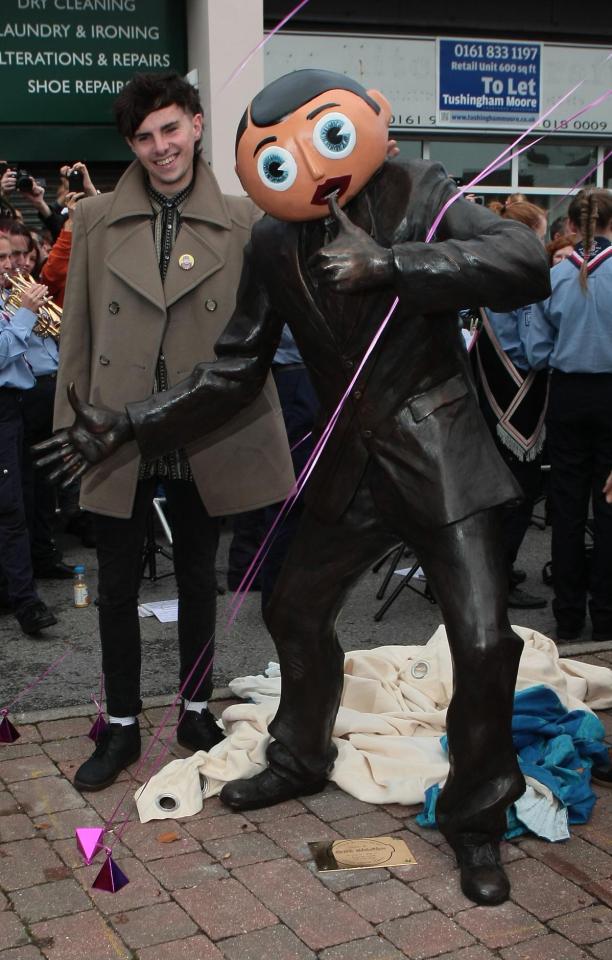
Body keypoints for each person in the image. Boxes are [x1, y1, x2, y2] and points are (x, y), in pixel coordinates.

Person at [37, 69, 550, 906]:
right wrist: (130, 422)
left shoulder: (417, 188)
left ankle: (477, 819)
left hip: (441, 454)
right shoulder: (272, 243)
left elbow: (522, 258)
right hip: (351, 465)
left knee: (485, 639)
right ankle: (301, 755)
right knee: (292, 610)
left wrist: (394, 264)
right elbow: (234, 369)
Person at [39, 71, 294, 794]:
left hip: (202, 426)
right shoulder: (91, 219)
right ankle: (120, 726)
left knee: (196, 579)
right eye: (145, 137)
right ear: (131, 145)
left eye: (171, 129)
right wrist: (72, 429)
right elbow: (79, 337)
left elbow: (258, 338)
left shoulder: (248, 219)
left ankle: (191, 710)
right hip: (114, 428)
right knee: (116, 586)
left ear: (197, 124)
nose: (161, 147)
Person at [523, 187, 612, 643]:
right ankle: (608, 612)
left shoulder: (552, 277)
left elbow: (536, 351)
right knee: (610, 507)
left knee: (569, 507)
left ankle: (569, 615)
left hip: (568, 397)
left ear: (572, 227)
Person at [475, 199, 550, 610]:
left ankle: (492, 569)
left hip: (488, 387)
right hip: (516, 391)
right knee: (519, 490)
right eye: (540, 234)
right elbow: (536, 350)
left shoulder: (489, 271)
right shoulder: (522, 278)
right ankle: (499, 579)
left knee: (492, 489)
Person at [0, 234, 57, 634]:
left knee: (19, 505)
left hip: (16, 410)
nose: (11, 264)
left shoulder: (9, 300)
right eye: (1, 257)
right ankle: (26, 603)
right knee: (10, 511)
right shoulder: (14, 306)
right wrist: (23, 315)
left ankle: (17, 593)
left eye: (14, 255)